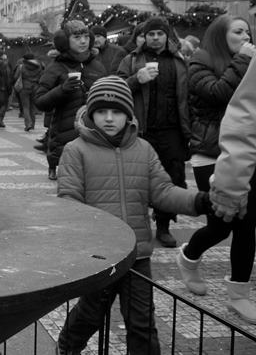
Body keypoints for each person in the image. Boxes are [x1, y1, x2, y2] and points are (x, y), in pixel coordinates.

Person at [57, 76, 211, 355]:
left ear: (128, 115)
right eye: (102, 111)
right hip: (98, 256)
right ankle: (67, 347)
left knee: (142, 322)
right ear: (91, 113)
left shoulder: (143, 149)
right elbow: (70, 201)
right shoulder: (75, 150)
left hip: (137, 256)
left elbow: (162, 191)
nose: (109, 118)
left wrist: (200, 202)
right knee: (90, 314)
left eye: (117, 112)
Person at [176, 15, 256, 321]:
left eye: (247, 32)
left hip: (245, 154)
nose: (245, 37)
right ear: (220, 35)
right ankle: (189, 256)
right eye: (238, 31)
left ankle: (239, 293)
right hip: (210, 154)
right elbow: (217, 92)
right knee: (221, 225)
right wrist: (244, 61)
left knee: (246, 224)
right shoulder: (200, 61)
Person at [117, 17, 191, 248]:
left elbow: (188, 96)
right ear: (144, 36)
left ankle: (164, 226)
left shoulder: (179, 61)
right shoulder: (132, 60)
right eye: (151, 34)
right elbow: (115, 88)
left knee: (170, 178)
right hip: (141, 131)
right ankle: (135, 227)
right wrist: (136, 79)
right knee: (137, 179)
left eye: (160, 34)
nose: (156, 38)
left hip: (172, 131)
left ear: (167, 36)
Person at [206, 51, 256, 321]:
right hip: (213, 152)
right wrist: (230, 186)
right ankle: (238, 292)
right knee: (233, 227)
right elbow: (244, 120)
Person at [35, 20, 106, 180]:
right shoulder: (56, 67)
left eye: (86, 36)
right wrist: (62, 89)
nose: (83, 41)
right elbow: (40, 101)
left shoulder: (97, 66)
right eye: (77, 37)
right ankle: (53, 166)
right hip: (64, 133)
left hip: (94, 129)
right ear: (65, 41)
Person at [16, 52, 43, 132]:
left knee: (25, 107)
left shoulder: (21, 66)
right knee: (32, 107)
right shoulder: (39, 66)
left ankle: (28, 124)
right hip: (35, 87)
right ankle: (33, 124)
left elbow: (16, 76)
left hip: (24, 87)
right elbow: (42, 76)